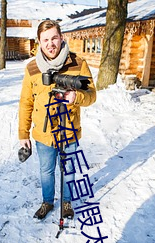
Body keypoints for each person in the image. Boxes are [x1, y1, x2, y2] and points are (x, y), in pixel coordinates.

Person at [18, 20, 96, 220]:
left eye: (54, 38)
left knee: (68, 169)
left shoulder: (78, 63)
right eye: (45, 40)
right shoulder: (32, 68)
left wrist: (76, 97)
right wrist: (23, 134)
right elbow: (26, 102)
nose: (50, 43)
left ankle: (67, 202)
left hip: (69, 130)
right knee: (46, 171)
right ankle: (47, 201)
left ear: (61, 38)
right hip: (43, 134)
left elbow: (92, 95)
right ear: (39, 42)